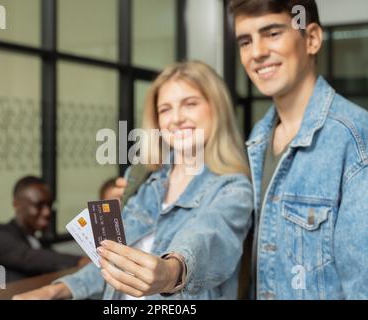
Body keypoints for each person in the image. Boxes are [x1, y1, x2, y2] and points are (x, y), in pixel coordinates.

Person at [13, 60, 254, 300]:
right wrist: (57, 290)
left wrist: (171, 271)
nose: (177, 118)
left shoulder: (232, 188)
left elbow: (210, 236)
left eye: (190, 104)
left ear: (217, 108)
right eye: (165, 109)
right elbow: (112, 263)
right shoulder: (142, 178)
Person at [230, 0, 368, 299]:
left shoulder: (355, 138)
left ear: (312, 39)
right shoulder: (257, 138)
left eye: (273, 33)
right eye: (245, 41)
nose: (257, 53)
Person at [0, 176, 90, 287]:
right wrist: (79, 261)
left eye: (49, 205)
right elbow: (28, 258)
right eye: (39, 205)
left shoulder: (37, 241)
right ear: (17, 205)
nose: (47, 212)